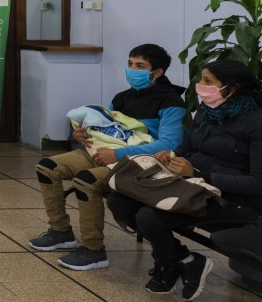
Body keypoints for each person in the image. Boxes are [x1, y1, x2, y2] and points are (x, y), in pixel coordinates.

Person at [107, 60, 262, 301]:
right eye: (201, 79)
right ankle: (183, 260)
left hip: (233, 200)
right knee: (120, 200)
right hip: (194, 186)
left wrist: (199, 175)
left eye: (208, 82)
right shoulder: (207, 111)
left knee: (149, 216)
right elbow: (186, 149)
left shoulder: (256, 123)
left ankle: (170, 264)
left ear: (232, 88)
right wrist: (172, 157)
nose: (200, 86)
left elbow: (256, 183)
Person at [29, 44, 186, 270]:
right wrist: (82, 133)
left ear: (158, 72)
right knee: (47, 167)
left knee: (86, 180)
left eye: (140, 66)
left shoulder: (171, 103)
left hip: (141, 163)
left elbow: (170, 144)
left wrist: (117, 153)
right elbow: (104, 125)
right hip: (105, 153)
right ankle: (61, 232)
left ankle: (94, 250)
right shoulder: (123, 97)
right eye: (130, 64)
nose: (132, 70)